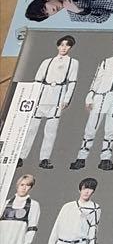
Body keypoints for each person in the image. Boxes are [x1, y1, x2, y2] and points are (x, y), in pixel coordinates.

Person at [71, 36, 113, 171]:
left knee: (110, 130)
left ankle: (105, 159)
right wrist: (90, 96)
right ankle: (81, 158)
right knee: (91, 128)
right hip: (101, 97)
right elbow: (97, 79)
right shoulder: (106, 62)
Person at [21, 35, 79, 168]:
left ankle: (44, 158)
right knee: (31, 128)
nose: (64, 47)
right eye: (62, 44)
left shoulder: (73, 62)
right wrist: (33, 97)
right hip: (42, 96)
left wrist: (66, 99)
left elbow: (72, 82)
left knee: (51, 131)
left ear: (70, 47)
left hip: (57, 97)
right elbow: (38, 80)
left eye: (67, 45)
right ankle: (21, 156)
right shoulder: (47, 62)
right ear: (58, 46)